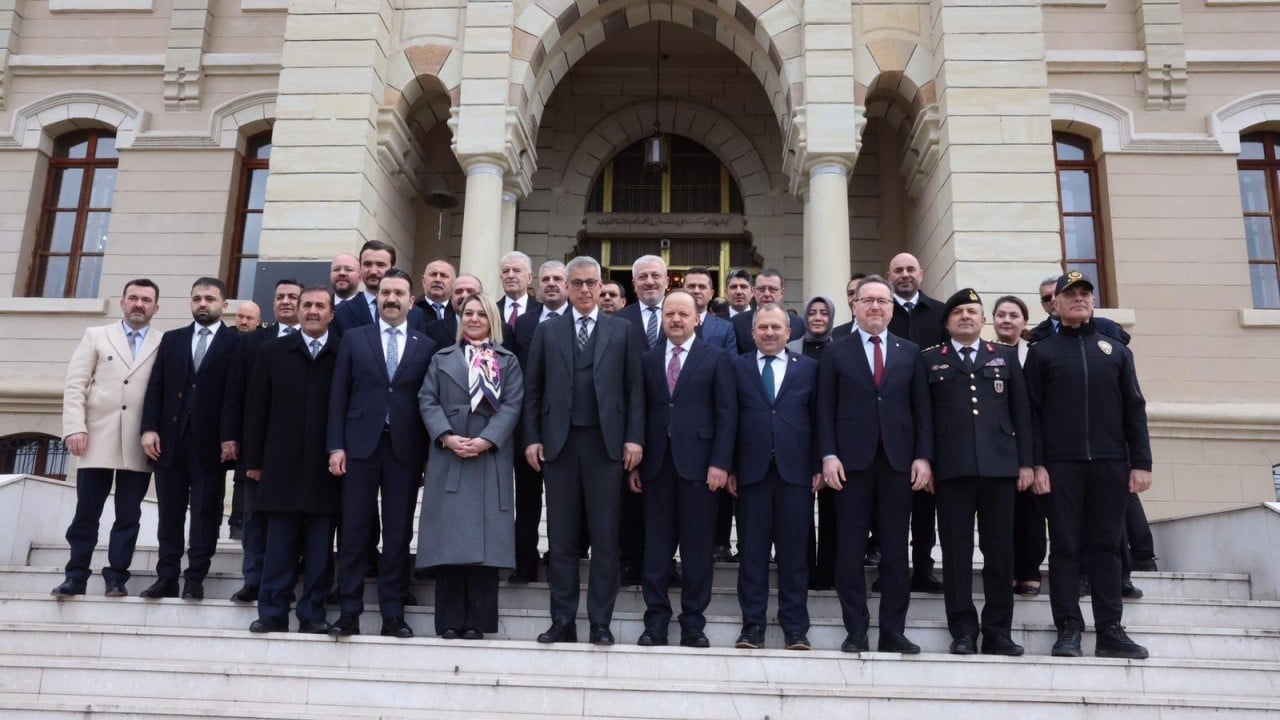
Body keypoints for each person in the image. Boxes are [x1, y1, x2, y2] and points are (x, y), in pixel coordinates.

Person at [1025, 271, 1153, 660]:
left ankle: (1110, 629)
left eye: (1085, 293)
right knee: (1065, 547)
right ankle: (1068, 628)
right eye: (1071, 294)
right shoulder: (1042, 352)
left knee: (1108, 546)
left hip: (1111, 464)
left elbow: (1134, 408)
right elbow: (1031, 414)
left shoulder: (1115, 350)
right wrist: (1036, 464)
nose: (1079, 299)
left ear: (1093, 301)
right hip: (1060, 467)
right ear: (1056, 304)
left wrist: (1141, 462)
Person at [523, 255, 643, 646]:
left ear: (601, 284)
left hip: (606, 447)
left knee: (606, 539)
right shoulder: (548, 331)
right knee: (561, 539)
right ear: (567, 287)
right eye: (577, 283)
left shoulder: (622, 330)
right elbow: (533, 389)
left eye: (592, 282)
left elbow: (635, 389)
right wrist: (532, 437)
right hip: (559, 446)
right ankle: (562, 620)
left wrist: (634, 438)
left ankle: (600, 623)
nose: (585, 290)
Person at [818, 274, 932, 654]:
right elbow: (824, 409)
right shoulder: (836, 351)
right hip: (850, 466)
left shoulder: (910, 352)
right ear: (855, 306)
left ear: (891, 308)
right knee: (849, 552)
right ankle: (856, 630)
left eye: (883, 301)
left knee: (896, 552)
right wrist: (828, 455)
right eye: (867, 300)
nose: (875, 307)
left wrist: (923, 457)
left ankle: (892, 631)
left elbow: (922, 410)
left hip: (898, 465)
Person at [326, 268, 437, 639]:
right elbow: (338, 395)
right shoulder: (354, 339)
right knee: (354, 530)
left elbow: (428, 403)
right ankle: (349, 611)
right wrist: (336, 446)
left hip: (405, 450)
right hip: (358, 447)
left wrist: (428, 456)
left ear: (411, 301)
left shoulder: (426, 346)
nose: (391, 299)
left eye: (399, 293)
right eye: (386, 293)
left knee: (398, 533)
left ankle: (393, 613)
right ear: (378, 298)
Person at [924, 289, 1032, 656]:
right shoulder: (930, 360)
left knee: (1000, 553)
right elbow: (924, 418)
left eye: (972, 311)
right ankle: (963, 631)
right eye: (958, 312)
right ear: (947, 322)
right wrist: (926, 461)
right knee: (956, 554)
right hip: (951, 470)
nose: (966, 317)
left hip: (999, 468)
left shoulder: (1004, 356)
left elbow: (1022, 413)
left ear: (984, 320)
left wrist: (1026, 462)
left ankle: (998, 632)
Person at [629, 291, 735, 648]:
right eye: (669, 313)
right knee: (656, 551)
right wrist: (636, 461)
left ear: (696, 319)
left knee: (697, 552)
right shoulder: (648, 359)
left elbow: (726, 415)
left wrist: (720, 462)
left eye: (682, 314)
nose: (675, 319)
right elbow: (639, 410)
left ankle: (693, 625)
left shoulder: (716, 357)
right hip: (656, 467)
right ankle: (656, 623)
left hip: (701, 469)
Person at [417, 292, 523, 640]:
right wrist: (446, 436)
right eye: (468, 313)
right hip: (451, 454)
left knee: (485, 544)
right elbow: (427, 399)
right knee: (450, 541)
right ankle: (449, 620)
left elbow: (513, 403)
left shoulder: (507, 361)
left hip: (488, 456)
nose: (474, 319)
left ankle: (478, 621)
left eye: (481, 314)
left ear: (492, 320)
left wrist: (488, 439)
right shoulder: (441, 358)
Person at [53, 279, 163, 599]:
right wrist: (75, 427)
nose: (139, 304)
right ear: (123, 302)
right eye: (133, 298)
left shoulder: (164, 342)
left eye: (146, 300)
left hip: (139, 441)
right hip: (95, 437)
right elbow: (76, 384)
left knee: (128, 515)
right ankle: (76, 575)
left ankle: (117, 576)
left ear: (156, 307)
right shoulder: (96, 336)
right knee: (87, 512)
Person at [242, 286, 341, 634]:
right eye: (307, 305)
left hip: (326, 469)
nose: (313, 311)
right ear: (298, 311)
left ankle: (312, 614)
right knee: (278, 547)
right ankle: (272, 612)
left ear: (331, 314)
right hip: (279, 465)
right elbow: (257, 409)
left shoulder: (343, 352)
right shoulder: (272, 352)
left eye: (320, 306)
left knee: (319, 550)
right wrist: (254, 461)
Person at [140, 277, 241, 600]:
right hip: (170, 441)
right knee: (170, 512)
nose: (203, 304)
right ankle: (167, 576)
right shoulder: (172, 340)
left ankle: (195, 576)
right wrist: (149, 428)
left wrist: (230, 436)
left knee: (205, 512)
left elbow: (236, 394)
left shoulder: (236, 342)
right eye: (197, 298)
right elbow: (156, 386)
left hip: (211, 444)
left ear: (224, 305)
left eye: (210, 298)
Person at [731, 304, 818, 651]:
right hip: (751, 474)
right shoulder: (736, 366)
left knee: (794, 555)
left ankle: (795, 628)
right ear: (752, 332)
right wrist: (729, 466)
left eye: (776, 327)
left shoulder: (809, 368)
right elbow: (728, 418)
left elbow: (818, 418)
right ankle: (752, 626)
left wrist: (818, 465)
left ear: (788, 332)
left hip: (795, 474)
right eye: (763, 327)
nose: (769, 333)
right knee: (752, 554)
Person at [223, 278, 303, 604]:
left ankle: (288, 578)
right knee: (254, 517)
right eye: (280, 296)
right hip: (256, 445)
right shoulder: (252, 341)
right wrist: (230, 436)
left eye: (293, 297)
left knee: (292, 518)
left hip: (299, 449)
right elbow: (234, 391)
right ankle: (253, 579)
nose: (286, 301)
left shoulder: (314, 340)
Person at [885, 252, 946, 595]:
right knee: (890, 506)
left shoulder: (940, 314)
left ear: (921, 274)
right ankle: (890, 570)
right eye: (898, 270)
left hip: (930, 420)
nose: (905, 275)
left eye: (910, 269)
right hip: (889, 422)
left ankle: (923, 568)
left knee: (925, 503)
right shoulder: (882, 312)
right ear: (889, 276)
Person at [614, 254, 668, 584]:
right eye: (643, 277)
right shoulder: (619, 321)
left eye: (655, 276)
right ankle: (630, 561)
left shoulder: (680, 317)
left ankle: (662, 563)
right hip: (628, 426)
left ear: (666, 281)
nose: (650, 281)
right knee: (630, 501)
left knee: (664, 504)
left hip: (669, 428)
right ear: (633, 284)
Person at [994, 295, 1044, 596]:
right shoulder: (988, 353)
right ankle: (1010, 569)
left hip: (1034, 442)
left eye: (1013, 315)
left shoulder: (1036, 355)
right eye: (1001, 315)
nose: (1006, 320)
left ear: (1024, 321)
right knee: (1004, 512)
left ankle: (1030, 571)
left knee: (1031, 511)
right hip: (1000, 446)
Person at [786, 295, 837, 591]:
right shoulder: (791, 349)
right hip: (798, 439)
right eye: (813, 313)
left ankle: (827, 573)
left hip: (832, 440)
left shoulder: (841, 349)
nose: (818, 317)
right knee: (800, 511)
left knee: (832, 510)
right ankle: (803, 570)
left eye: (823, 313)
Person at [333, 240, 428, 335]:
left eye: (380, 265)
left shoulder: (415, 314)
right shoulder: (340, 312)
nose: (373, 271)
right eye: (367, 264)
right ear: (360, 268)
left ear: (392, 269)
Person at [731, 269, 805, 354]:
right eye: (761, 289)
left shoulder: (798, 324)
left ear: (782, 293)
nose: (766, 294)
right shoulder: (737, 323)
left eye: (772, 289)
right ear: (754, 291)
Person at [682, 267, 736, 353]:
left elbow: (730, 360)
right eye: (691, 286)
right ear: (682, 291)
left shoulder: (725, 328)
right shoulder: (669, 323)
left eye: (702, 287)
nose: (696, 291)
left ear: (711, 294)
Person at [497, 251, 541, 328]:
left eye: (517, 270)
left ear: (529, 278)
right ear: (501, 278)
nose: (510, 275)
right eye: (505, 271)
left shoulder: (541, 311)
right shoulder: (492, 311)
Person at [416, 258, 458, 332]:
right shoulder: (412, 309)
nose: (437, 279)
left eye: (444, 275)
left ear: (454, 283)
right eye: (433, 274)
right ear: (423, 281)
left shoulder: (458, 311)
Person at [830, 273, 867, 339]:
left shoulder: (884, 331)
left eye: (859, 292)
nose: (854, 297)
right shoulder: (835, 334)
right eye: (850, 293)